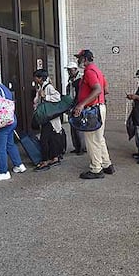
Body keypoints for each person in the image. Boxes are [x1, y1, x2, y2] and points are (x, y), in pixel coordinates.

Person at [72, 49, 114, 179]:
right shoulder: (98, 71)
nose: (78, 60)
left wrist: (81, 104)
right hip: (100, 107)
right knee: (99, 138)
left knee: (92, 140)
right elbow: (105, 90)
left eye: (79, 58)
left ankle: (96, 169)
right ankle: (107, 165)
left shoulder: (89, 71)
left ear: (85, 59)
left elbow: (97, 89)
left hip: (92, 110)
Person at [33, 69, 66, 172]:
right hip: (46, 118)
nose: (34, 79)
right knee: (51, 139)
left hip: (50, 118)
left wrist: (45, 96)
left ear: (40, 78)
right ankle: (54, 158)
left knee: (44, 139)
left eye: (36, 77)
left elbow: (57, 97)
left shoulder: (48, 87)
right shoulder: (41, 87)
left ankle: (46, 160)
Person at [65, 61, 86, 155]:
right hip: (72, 104)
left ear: (75, 69)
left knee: (79, 127)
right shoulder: (71, 79)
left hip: (78, 105)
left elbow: (80, 94)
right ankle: (76, 147)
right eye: (68, 70)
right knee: (73, 127)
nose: (69, 71)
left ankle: (81, 148)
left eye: (70, 70)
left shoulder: (80, 78)